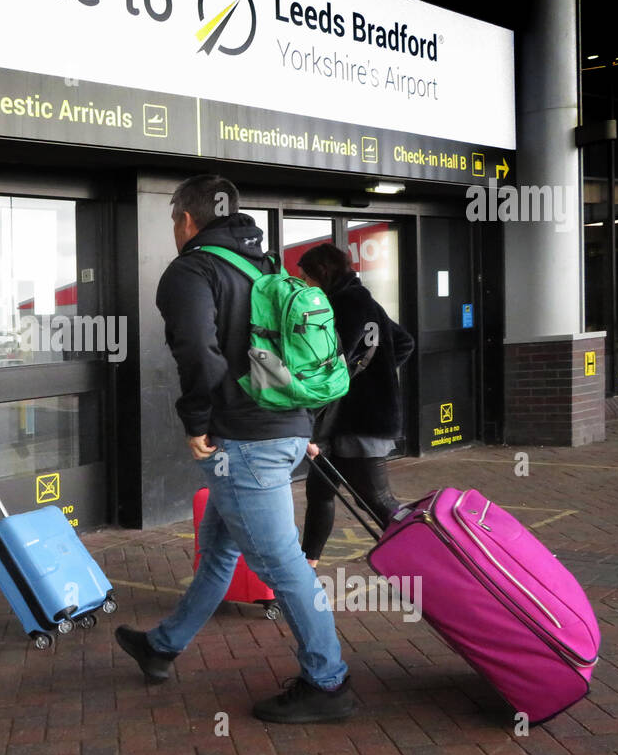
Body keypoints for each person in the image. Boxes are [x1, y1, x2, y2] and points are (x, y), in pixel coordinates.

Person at [114, 174, 356, 723]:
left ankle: (328, 682)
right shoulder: (264, 264)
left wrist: (196, 420)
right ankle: (162, 646)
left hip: (246, 441)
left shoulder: (192, 270)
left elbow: (198, 352)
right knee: (221, 550)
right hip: (286, 428)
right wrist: (304, 428)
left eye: (173, 219)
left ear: (186, 219)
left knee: (282, 565)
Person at [298, 244, 414, 567]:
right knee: (320, 492)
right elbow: (404, 342)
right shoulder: (358, 299)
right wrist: (374, 374)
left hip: (361, 421)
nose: (303, 284)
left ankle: (424, 556)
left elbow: (335, 367)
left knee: (375, 499)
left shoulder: (348, 303)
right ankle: (309, 564)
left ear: (323, 274)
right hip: (338, 421)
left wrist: (364, 382)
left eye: (305, 277)